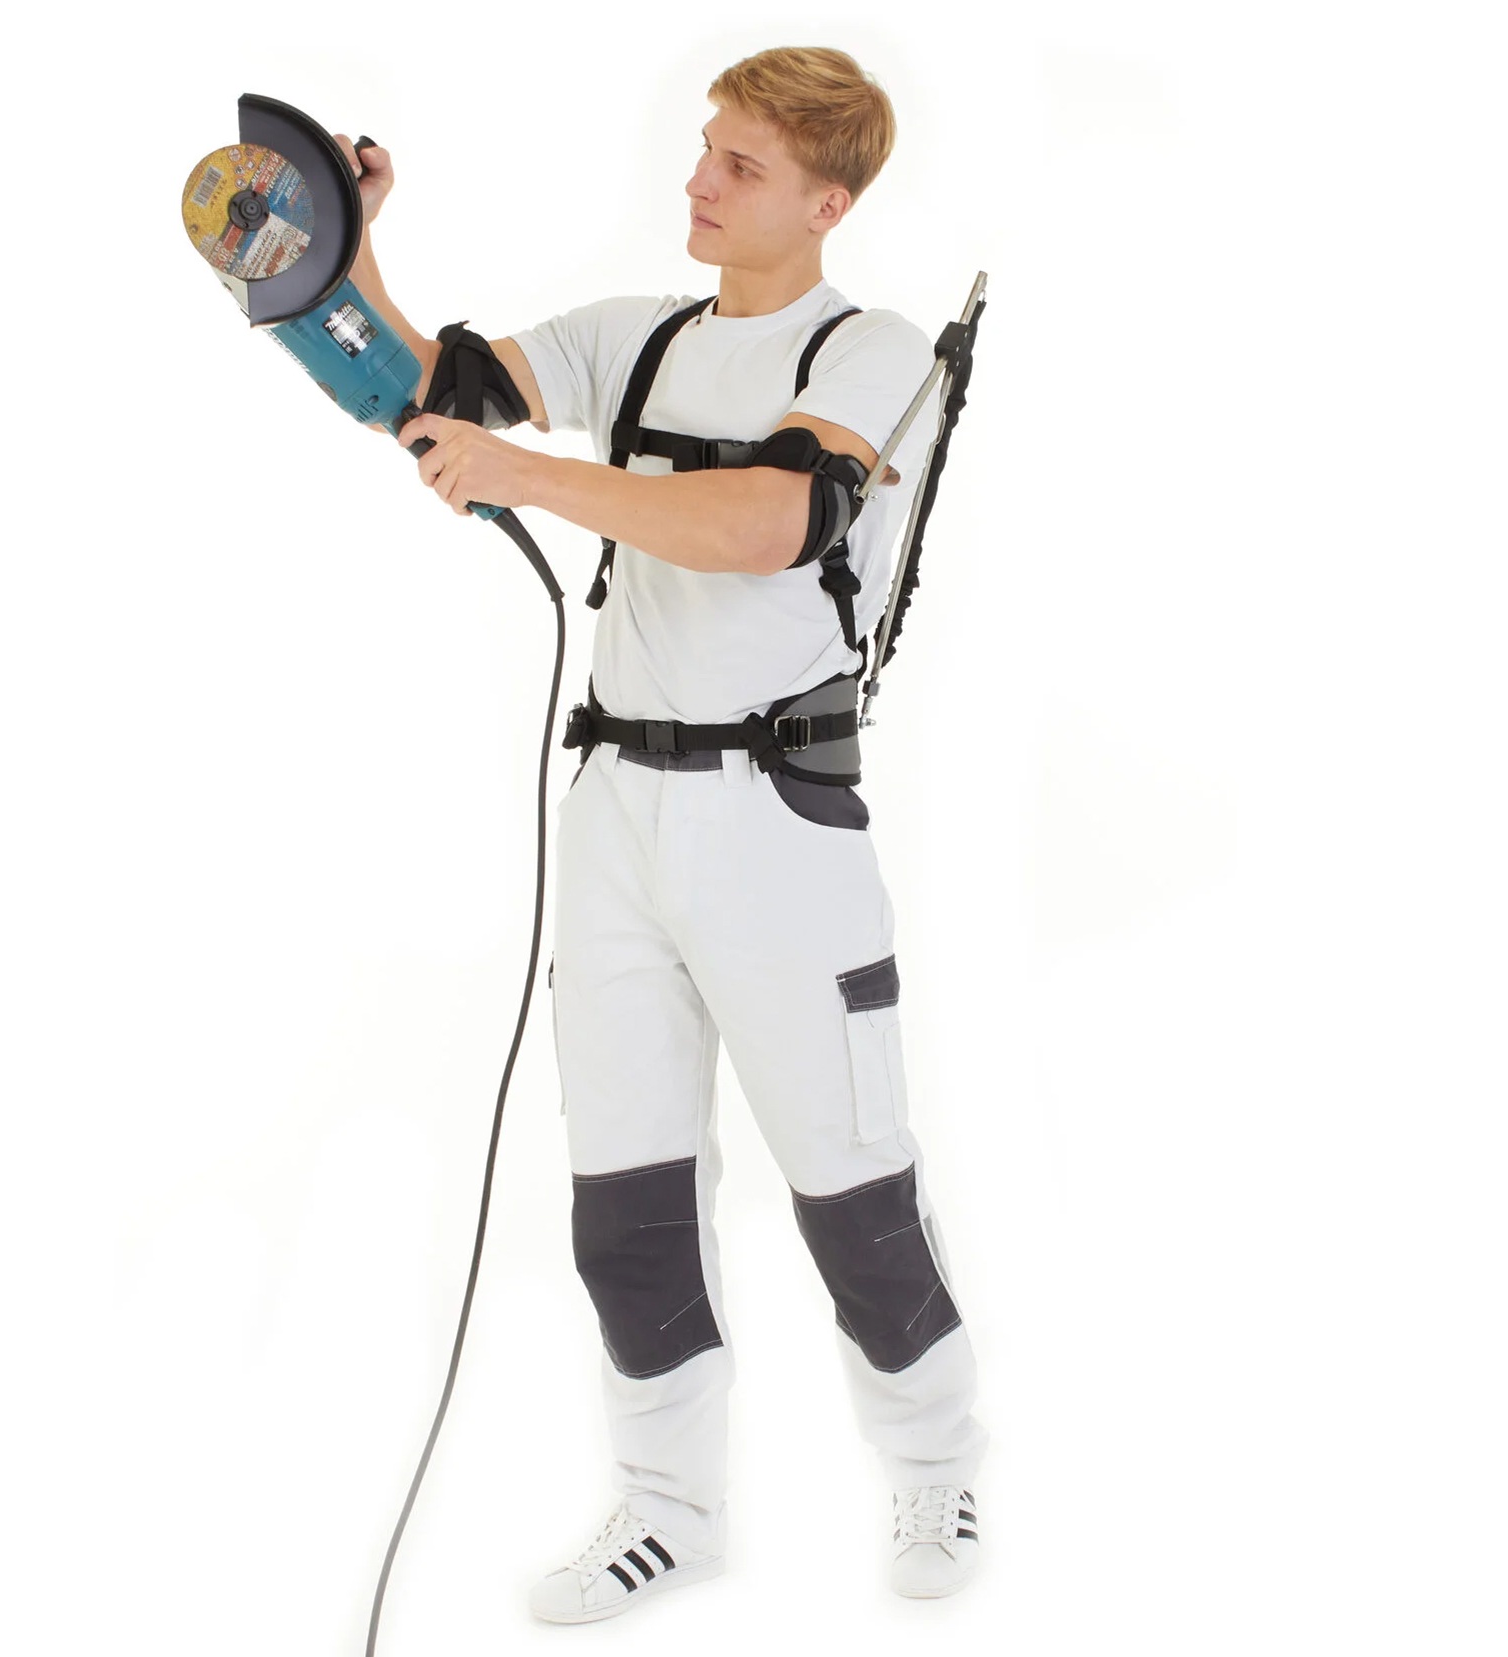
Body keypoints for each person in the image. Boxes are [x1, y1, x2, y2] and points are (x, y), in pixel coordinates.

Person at [340, 43, 988, 1623]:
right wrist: (346, 257)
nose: (696, 180)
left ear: (828, 202)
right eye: (705, 148)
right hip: (615, 815)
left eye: (741, 165)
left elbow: (771, 522)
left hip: (779, 822)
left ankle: (933, 1461)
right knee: (623, 1189)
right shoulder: (633, 336)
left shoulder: (869, 353)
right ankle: (667, 1504)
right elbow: (435, 393)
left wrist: (529, 476)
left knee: (848, 1181)